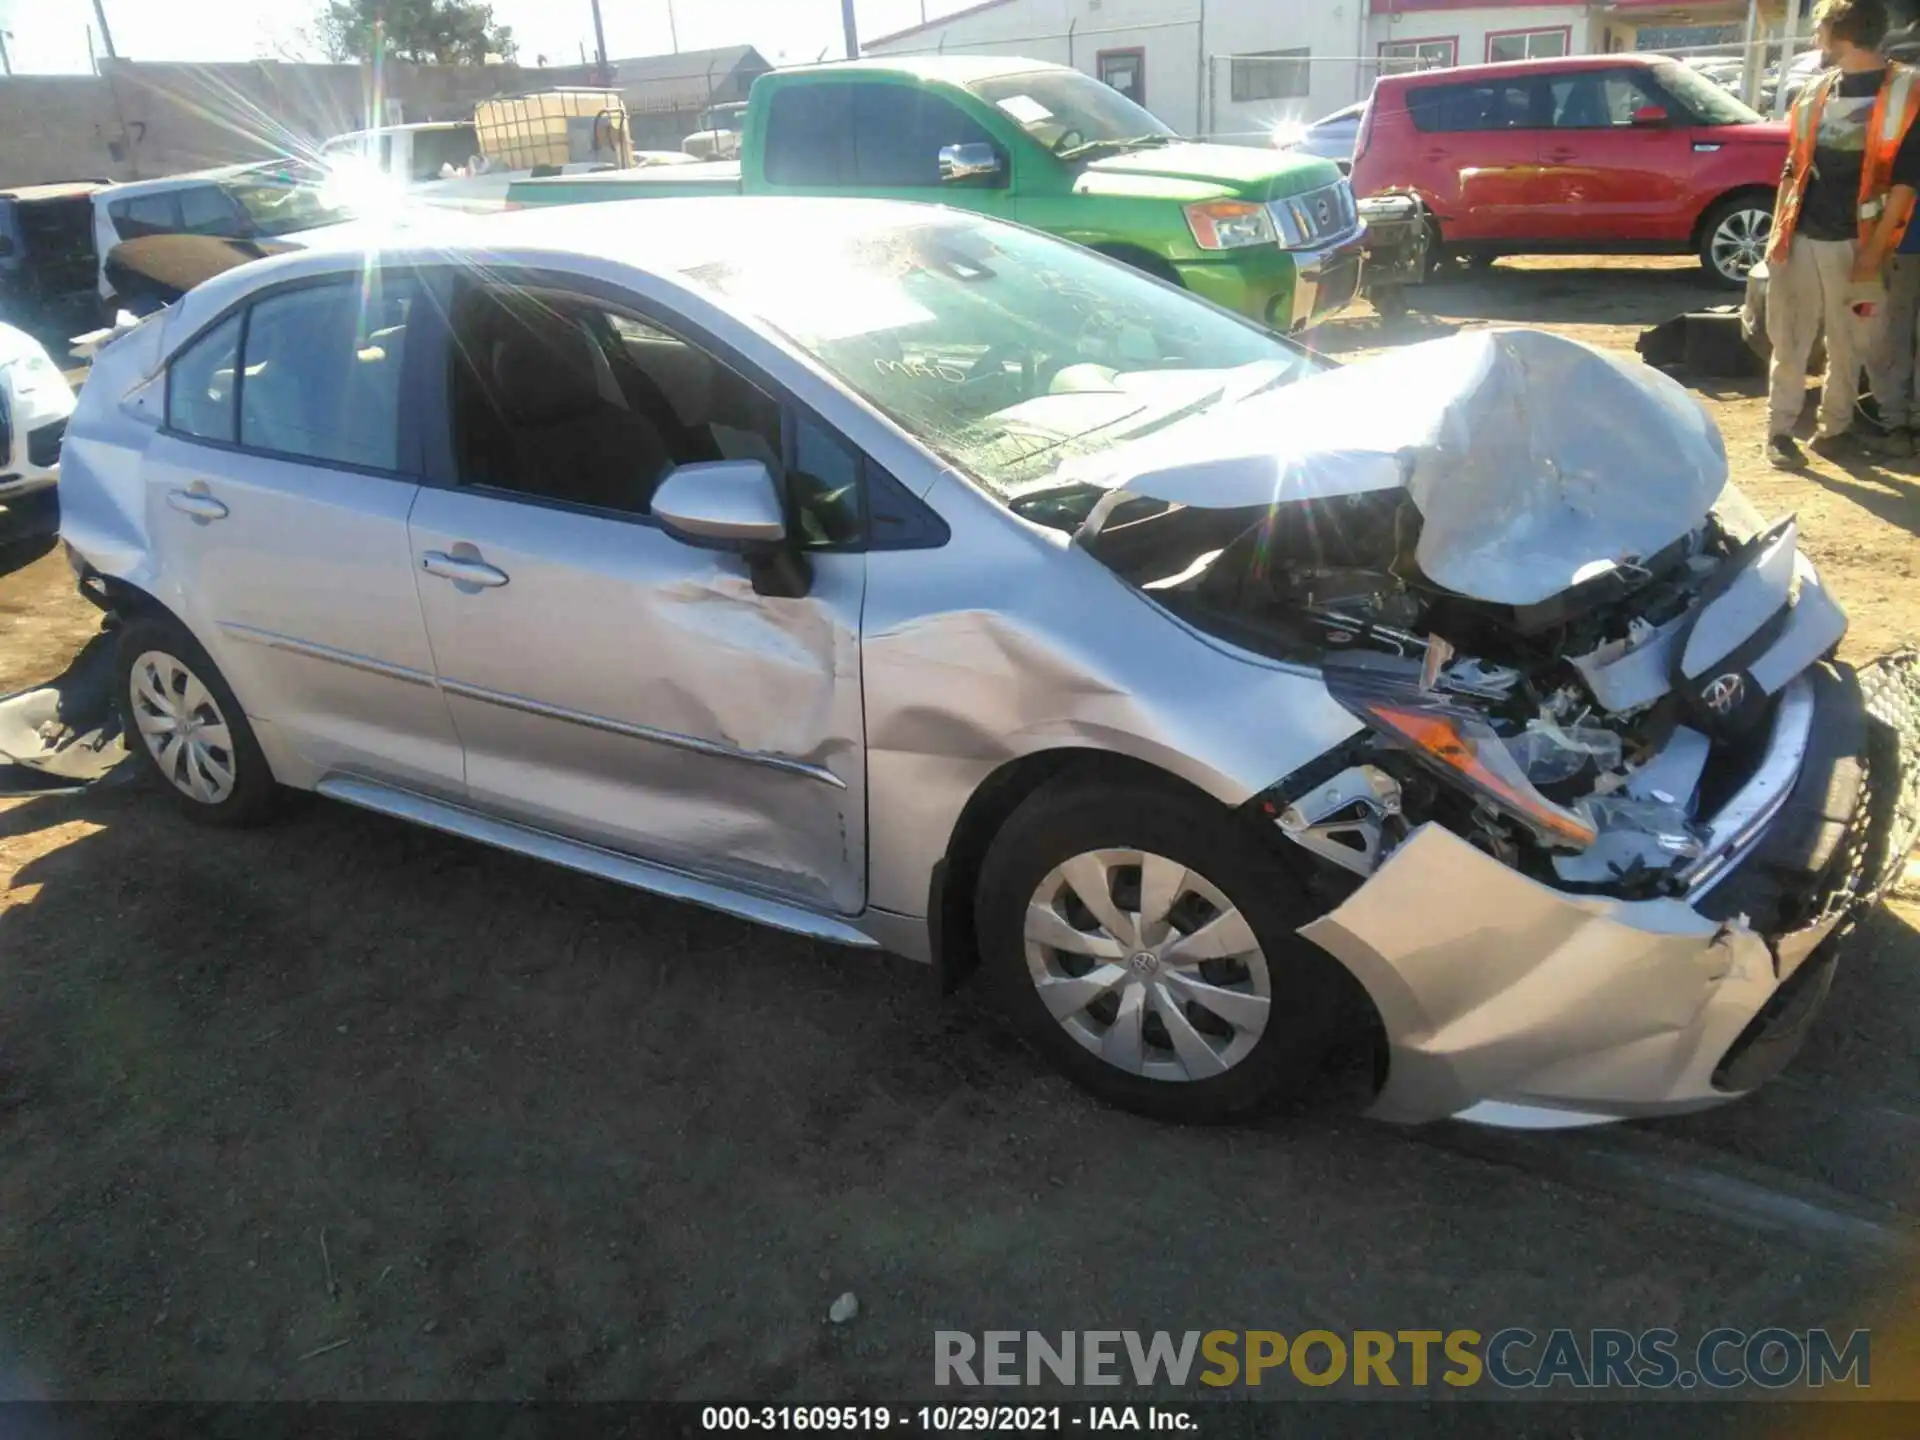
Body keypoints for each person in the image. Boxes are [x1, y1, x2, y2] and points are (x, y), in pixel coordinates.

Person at [1763, 0, 1920, 468]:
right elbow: (1795, 166)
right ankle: (1780, 431)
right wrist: (1779, 234)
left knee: (1851, 342)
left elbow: (1905, 184)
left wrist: (1871, 257)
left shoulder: (1908, 94)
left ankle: (1834, 431)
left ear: (1842, 38)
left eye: (1821, 31)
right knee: (1791, 337)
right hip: (1803, 237)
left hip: (1861, 243)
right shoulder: (1814, 91)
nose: (1816, 41)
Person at [1867, 188, 1920, 439]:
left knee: (1894, 338)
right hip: (1902, 248)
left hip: (1903, 249)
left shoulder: (1905, 149)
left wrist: (1872, 252)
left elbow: (1899, 193)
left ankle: (1897, 423)